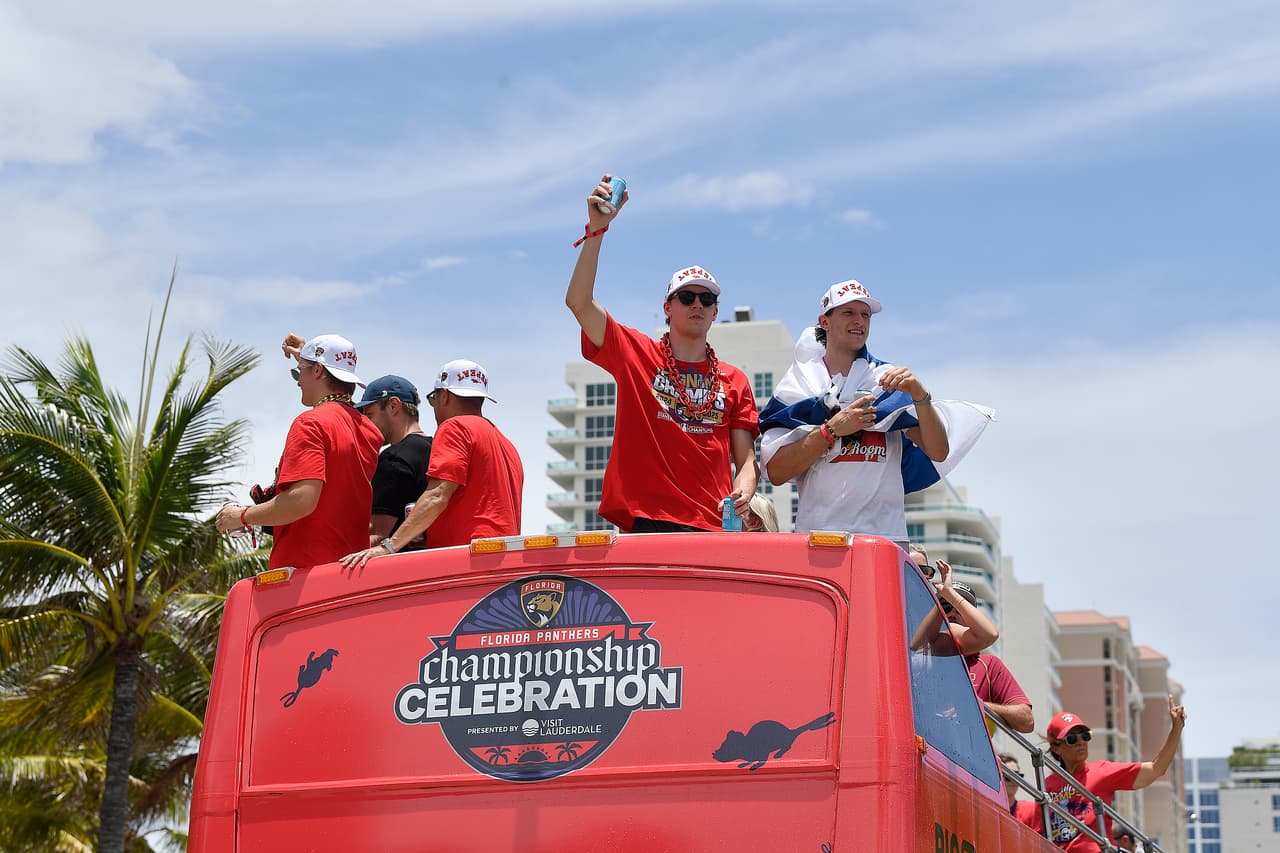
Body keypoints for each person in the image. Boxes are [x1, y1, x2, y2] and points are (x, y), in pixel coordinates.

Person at [564, 173, 759, 532]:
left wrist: (744, 491)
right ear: (668, 307)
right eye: (686, 297)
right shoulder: (637, 353)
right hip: (648, 522)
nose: (697, 304)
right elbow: (578, 303)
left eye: (707, 298)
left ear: (716, 311)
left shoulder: (735, 379)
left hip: (714, 526)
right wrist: (596, 231)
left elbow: (746, 460)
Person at [760, 280, 994, 542]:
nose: (859, 321)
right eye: (848, 313)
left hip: (885, 538)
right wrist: (832, 430)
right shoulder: (799, 386)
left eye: (865, 315)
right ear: (824, 322)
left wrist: (921, 397)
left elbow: (939, 452)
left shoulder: (889, 382)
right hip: (820, 537)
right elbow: (776, 472)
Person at [216, 333, 382, 569]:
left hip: (305, 574)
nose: (297, 381)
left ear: (318, 371)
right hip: (349, 570)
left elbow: (301, 501)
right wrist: (306, 357)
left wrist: (242, 515)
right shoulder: (368, 430)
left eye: (300, 371)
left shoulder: (311, 422)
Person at [340, 359, 523, 564]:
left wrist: (390, 546)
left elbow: (437, 495)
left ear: (443, 396)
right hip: (502, 562)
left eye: (433, 399)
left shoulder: (455, 427)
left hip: (465, 560)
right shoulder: (505, 443)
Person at [1017, 702, 1187, 852]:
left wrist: (1176, 729)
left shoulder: (1101, 771)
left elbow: (1156, 769)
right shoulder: (1047, 784)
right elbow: (1040, 832)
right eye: (1072, 738)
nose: (1081, 742)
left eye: (1085, 735)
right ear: (1056, 748)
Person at [355, 374, 432, 550]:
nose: (366, 424)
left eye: (370, 414)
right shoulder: (438, 448)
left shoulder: (393, 458)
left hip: (401, 571)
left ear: (393, 406)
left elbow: (376, 535)